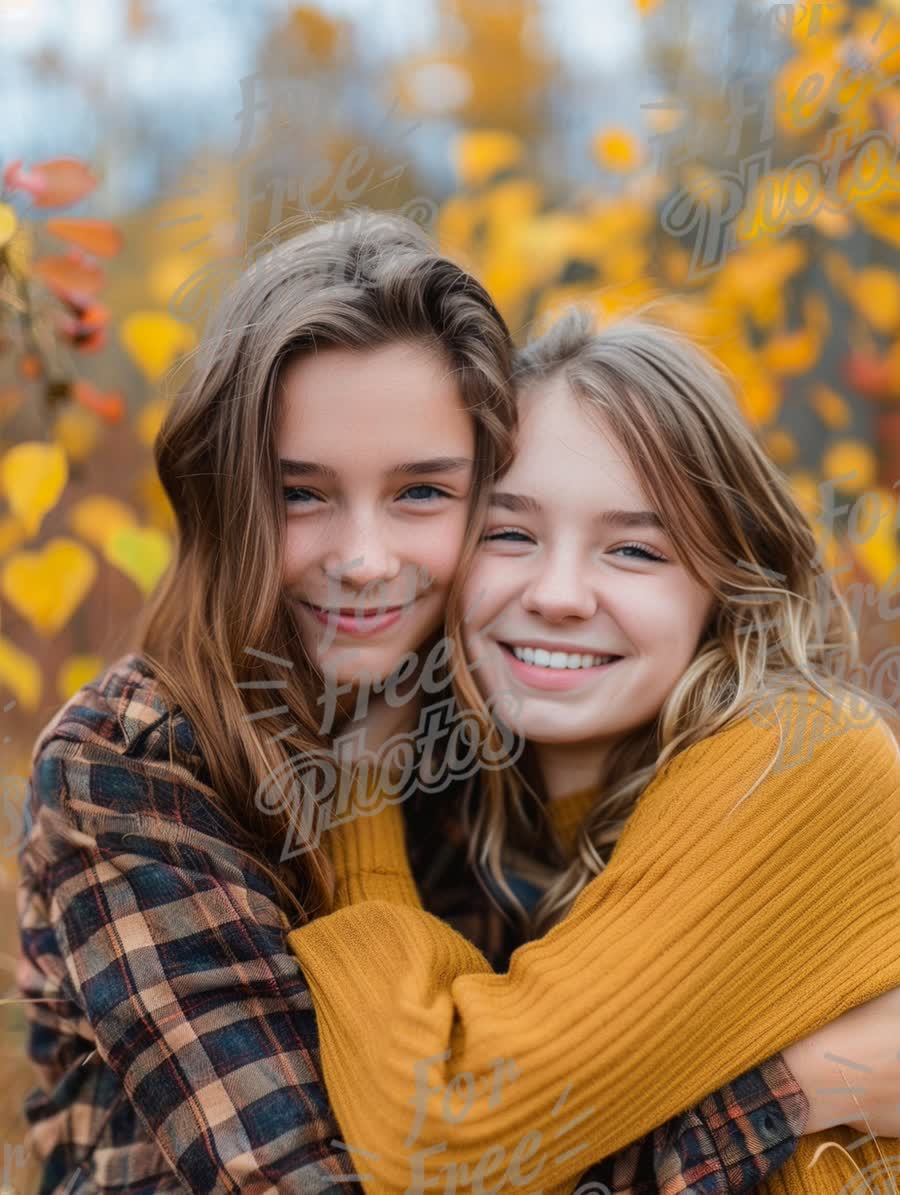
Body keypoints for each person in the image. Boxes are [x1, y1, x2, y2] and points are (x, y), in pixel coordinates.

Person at [16, 213, 897, 1194]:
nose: (362, 560)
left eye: (423, 493)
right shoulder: (137, 764)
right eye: (301, 492)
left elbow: (481, 1129)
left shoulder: (609, 738)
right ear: (229, 495)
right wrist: (790, 1093)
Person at [285, 307, 900, 1195]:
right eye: (510, 532)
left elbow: (438, 1140)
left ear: (723, 583)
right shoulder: (507, 811)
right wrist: (792, 1088)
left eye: (635, 549)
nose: (561, 594)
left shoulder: (800, 756)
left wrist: (357, 784)